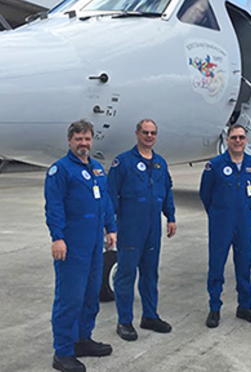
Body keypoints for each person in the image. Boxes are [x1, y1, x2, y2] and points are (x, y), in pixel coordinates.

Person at [45, 119, 117, 372]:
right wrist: (57, 237)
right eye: (78, 139)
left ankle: (82, 340)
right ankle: (63, 352)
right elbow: (53, 206)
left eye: (87, 139)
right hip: (72, 244)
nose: (83, 143)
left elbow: (105, 201)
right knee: (69, 298)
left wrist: (111, 228)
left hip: (95, 242)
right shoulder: (60, 170)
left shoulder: (97, 169)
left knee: (90, 296)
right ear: (69, 141)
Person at [107, 119, 176, 341]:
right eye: (145, 132)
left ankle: (150, 315)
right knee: (126, 274)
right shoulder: (123, 162)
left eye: (152, 133)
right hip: (130, 226)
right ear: (137, 133)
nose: (149, 136)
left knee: (150, 273)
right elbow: (111, 195)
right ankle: (124, 321)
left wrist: (171, 217)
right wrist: (110, 227)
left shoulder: (160, 163)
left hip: (153, 227)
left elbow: (167, 191)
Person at [199, 125, 251, 328]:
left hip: (244, 221)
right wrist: (219, 212)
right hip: (221, 222)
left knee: (244, 265)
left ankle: (245, 306)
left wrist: (243, 206)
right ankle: (215, 308)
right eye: (234, 137)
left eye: (241, 137)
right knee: (217, 266)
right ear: (227, 140)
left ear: (246, 140)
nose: (238, 141)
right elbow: (205, 193)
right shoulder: (215, 165)